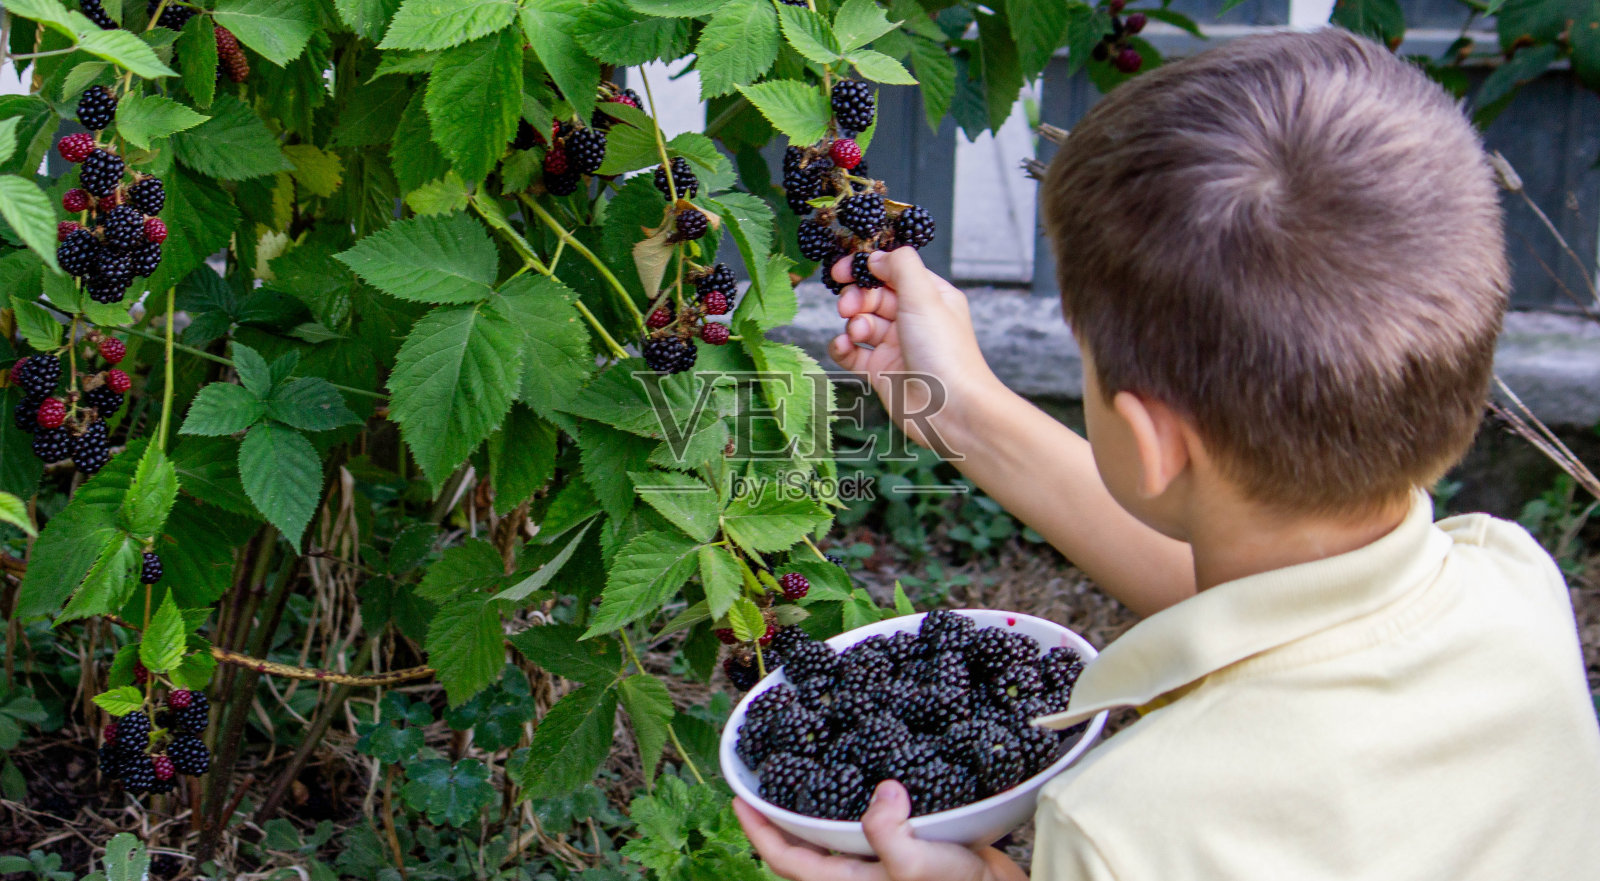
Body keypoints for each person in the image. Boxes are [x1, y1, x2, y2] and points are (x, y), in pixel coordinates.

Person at [733, 26, 1600, 881]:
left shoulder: (1128, 826)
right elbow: (1275, 603)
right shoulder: (1514, 581)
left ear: (1148, 441)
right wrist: (969, 413)